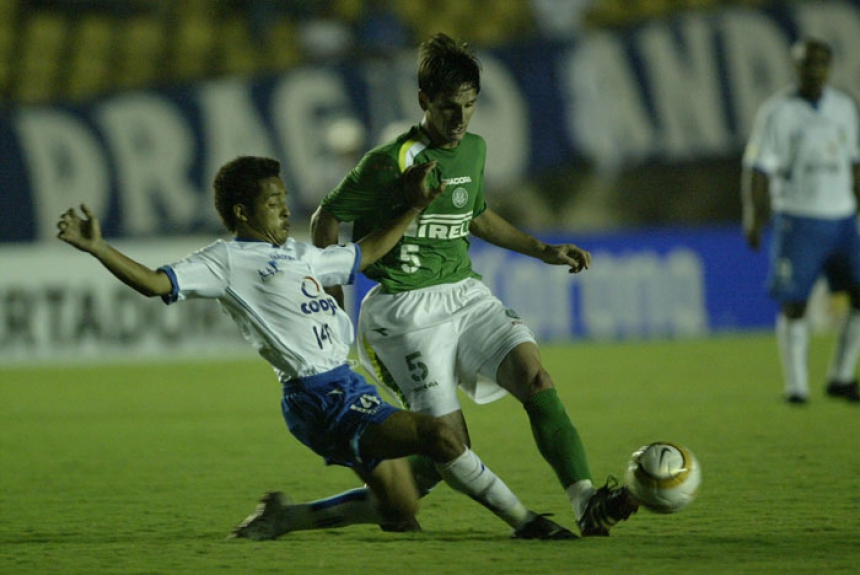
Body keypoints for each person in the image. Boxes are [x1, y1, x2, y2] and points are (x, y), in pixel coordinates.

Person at [55, 155, 575, 541]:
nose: (285, 210)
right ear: (242, 211)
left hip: (346, 385)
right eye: (273, 203)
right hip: (319, 396)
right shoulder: (226, 261)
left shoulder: (300, 255)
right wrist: (99, 247)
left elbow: (365, 251)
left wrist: (414, 208)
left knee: (400, 509)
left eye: (285, 200)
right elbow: (154, 283)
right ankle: (526, 523)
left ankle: (287, 517)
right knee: (440, 437)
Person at [310, 33, 638, 536]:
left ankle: (585, 501)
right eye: (448, 108)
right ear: (423, 102)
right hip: (402, 313)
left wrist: (542, 249)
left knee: (536, 379)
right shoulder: (387, 163)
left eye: (469, 106)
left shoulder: (474, 150)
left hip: (465, 294)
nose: (460, 121)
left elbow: (476, 217)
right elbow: (324, 220)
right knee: (445, 445)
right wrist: (333, 301)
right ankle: (317, 512)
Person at [742, 38, 860, 404]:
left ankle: (840, 377)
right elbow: (758, 167)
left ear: (829, 66)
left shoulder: (844, 107)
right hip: (799, 219)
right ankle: (796, 388)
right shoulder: (777, 112)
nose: (815, 69)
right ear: (796, 67)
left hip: (842, 218)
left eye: (821, 63)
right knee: (795, 303)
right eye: (807, 63)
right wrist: (753, 214)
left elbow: (854, 163)